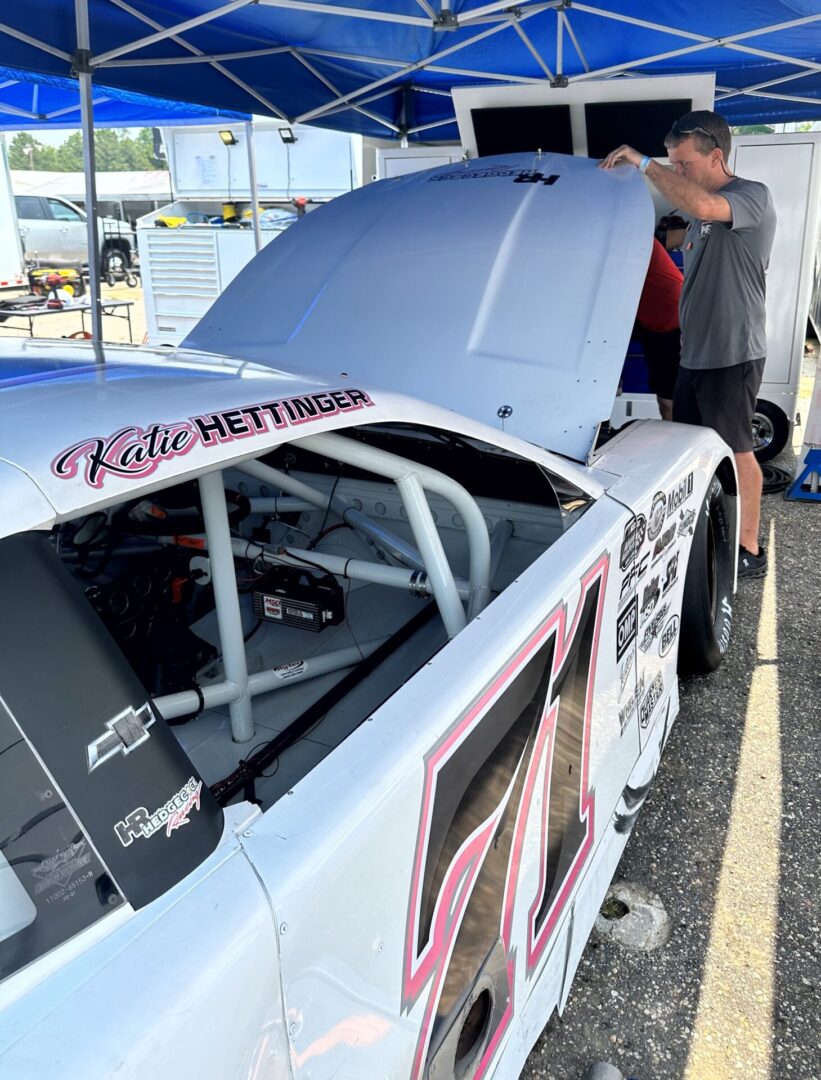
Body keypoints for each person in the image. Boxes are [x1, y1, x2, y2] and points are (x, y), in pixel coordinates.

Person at [600, 110, 777, 580]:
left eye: (683, 163)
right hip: (694, 353)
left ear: (715, 156)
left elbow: (702, 207)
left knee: (738, 449)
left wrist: (643, 164)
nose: (677, 171)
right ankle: (703, 528)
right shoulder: (696, 215)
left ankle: (750, 549)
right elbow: (691, 215)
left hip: (732, 351)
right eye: (672, 163)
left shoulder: (750, 196)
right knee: (694, 447)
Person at [635, 237, 683, 421]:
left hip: (671, 323)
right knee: (664, 397)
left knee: (668, 399)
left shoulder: (638, 239)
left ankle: (676, 442)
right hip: (651, 322)